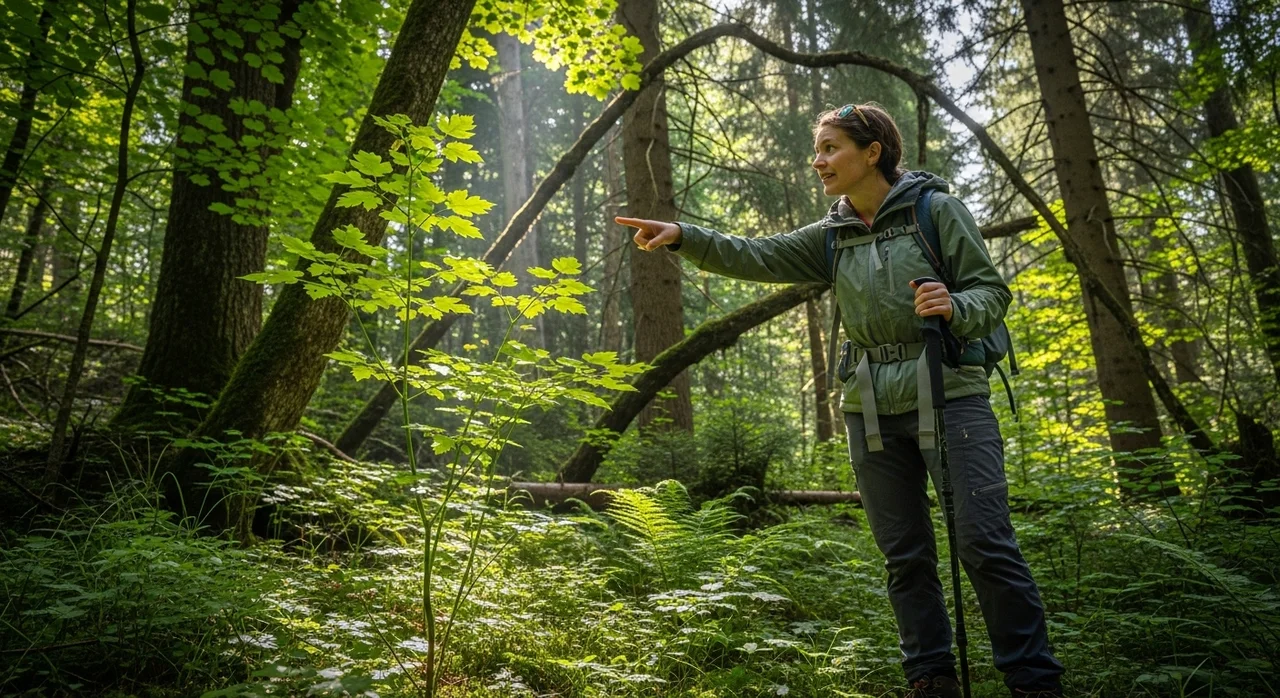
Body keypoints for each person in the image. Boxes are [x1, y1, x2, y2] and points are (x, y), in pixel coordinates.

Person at [617, 103, 1065, 698]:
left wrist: (954, 305)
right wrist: (683, 236)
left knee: (983, 541)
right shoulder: (833, 236)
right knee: (904, 554)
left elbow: (991, 293)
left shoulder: (937, 211)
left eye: (831, 148)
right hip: (870, 407)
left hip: (950, 396)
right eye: (817, 149)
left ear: (872, 152)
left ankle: (1034, 682)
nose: (818, 160)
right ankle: (930, 677)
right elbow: (757, 253)